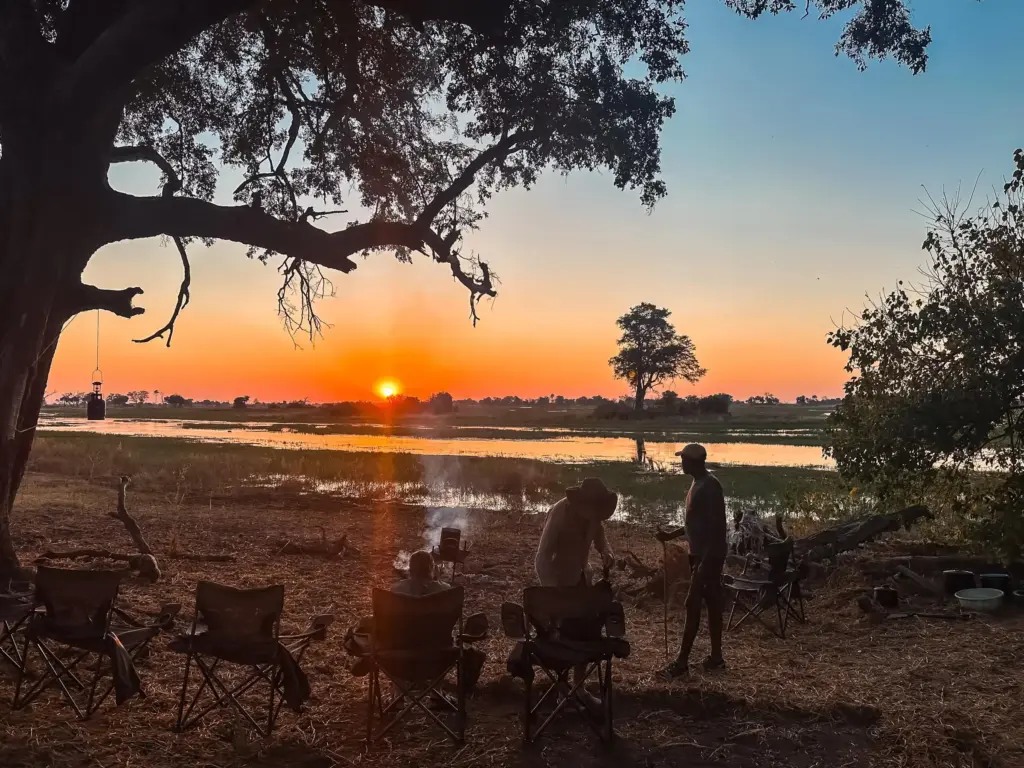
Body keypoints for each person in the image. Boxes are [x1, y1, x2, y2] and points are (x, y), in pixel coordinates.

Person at [345, 550, 487, 691]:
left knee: (388, 637)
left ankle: (398, 697)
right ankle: (436, 695)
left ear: (410, 569)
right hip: (439, 655)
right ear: (432, 568)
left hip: (398, 656)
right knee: (444, 637)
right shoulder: (446, 592)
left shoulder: (396, 589)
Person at [534, 477, 617, 710]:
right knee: (562, 638)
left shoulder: (594, 515)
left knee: (585, 633)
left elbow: (600, 537)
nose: (594, 514)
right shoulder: (559, 513)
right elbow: (541, 559)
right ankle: (562, 693)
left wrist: (606, 553)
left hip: (582, 580)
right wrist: (552, 596)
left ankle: (578, 689)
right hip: (558, 584)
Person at [655, 443, 728, 680]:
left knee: (692, 604)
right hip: (701, 556)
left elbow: (717, 528)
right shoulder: (697, 484)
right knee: (713, 604)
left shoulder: (710, 487)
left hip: (709, 557)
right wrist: (670, 535)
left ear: (695, 462)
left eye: (684, 459)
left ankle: (681, 663)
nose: (681, 462)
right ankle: (716, 658)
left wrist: (705, 563)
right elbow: (693, 525)